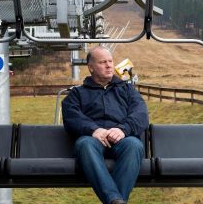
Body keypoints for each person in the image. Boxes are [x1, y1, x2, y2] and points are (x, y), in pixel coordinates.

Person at [62, 46, 149, 204]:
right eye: (103, 62)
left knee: (134, 145)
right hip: (93, 141)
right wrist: (93, 129)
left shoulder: (127, 90)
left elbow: (141, 113)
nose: (109, 65)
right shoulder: (78, 93)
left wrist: (123, 129)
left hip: (122, 140)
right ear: (91, 68)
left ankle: (113, 200)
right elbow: (71, 116)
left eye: (110, 61)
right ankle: (116, 200)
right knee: (84, 144)